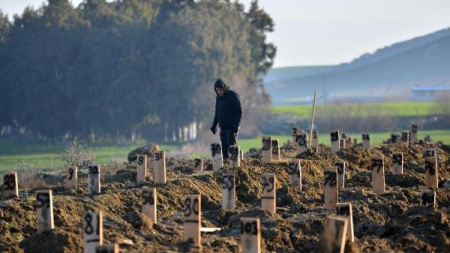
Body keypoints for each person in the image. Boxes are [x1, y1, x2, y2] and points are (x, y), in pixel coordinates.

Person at [210, 79, 243, 161]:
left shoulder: (233, 95)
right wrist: (214, 126)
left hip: (232, 127)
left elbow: (239, 111)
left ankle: (235, 166)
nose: (219, 92)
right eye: (217, 90)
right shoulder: (218, 98)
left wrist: (236, 125)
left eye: (220, 89)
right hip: (223, 126)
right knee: (224, 148)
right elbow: (217, 112)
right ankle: (226, 165)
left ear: (224, 88)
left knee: (232, 147)